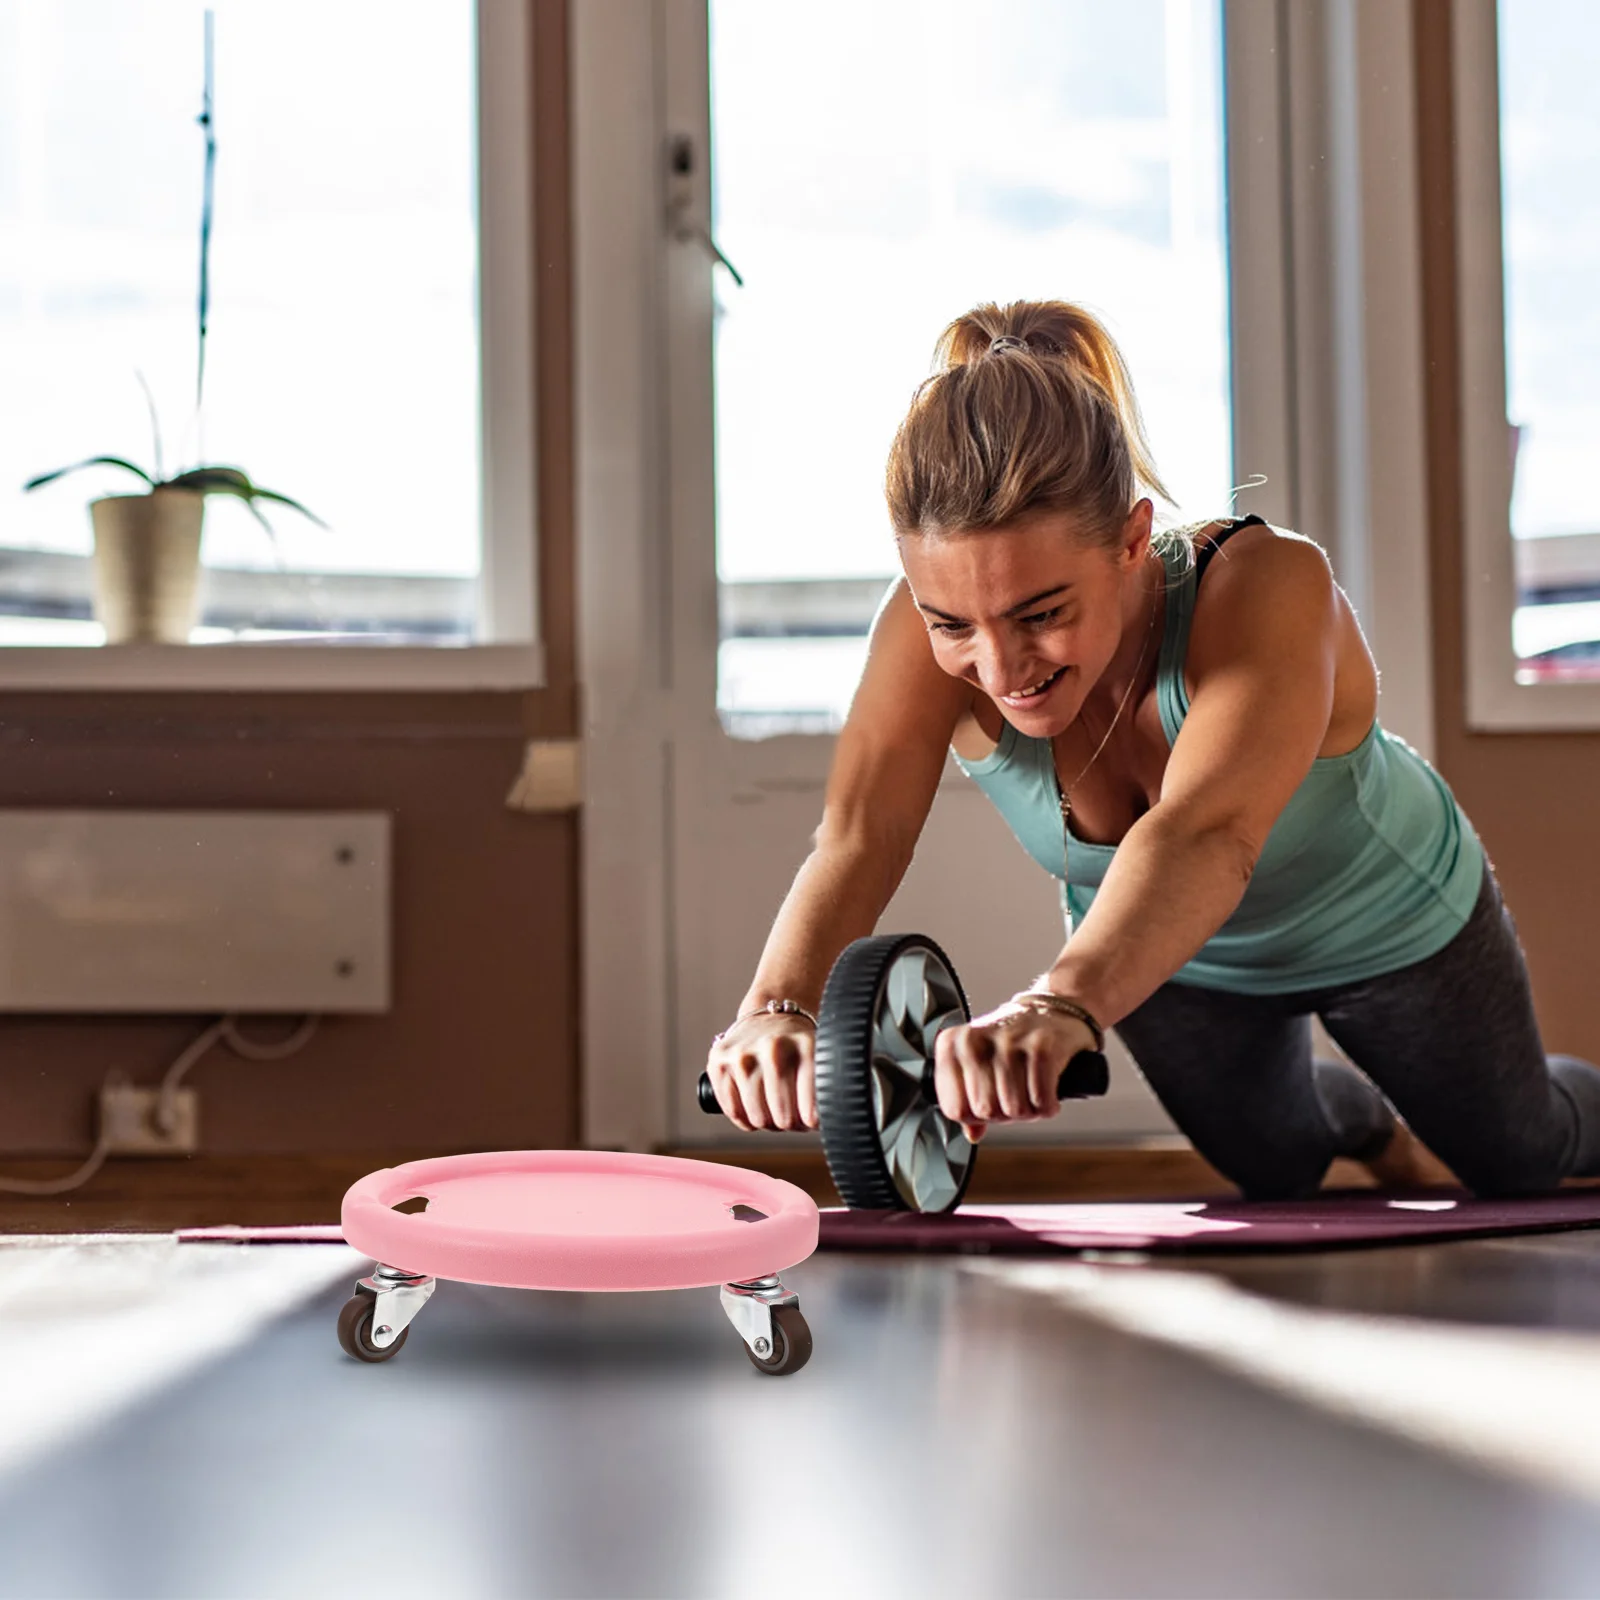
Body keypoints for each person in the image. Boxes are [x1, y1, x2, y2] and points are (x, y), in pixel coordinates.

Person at [701, 299, 1600, 1200]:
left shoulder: (1268, 585)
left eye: (1041, 614)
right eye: (953, 624)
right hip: (1173, 949)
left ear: (1133, 539)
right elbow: (861, 835)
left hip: (1388, 917)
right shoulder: (921, 634)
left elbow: (1205, 833)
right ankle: (1364, 1118)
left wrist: (1058, 1001)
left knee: (1519, 1158)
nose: (1000, 666)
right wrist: (776, 1009)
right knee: (1275, 1164)